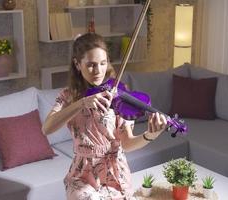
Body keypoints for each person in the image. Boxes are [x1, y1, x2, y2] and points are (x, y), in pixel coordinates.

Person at [42, 33, 167, 200]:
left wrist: (150, 135)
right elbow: (47, 128)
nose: (98, 71)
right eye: (91, 65)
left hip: (115, 174)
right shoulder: (68, 96)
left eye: (103, 63)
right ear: (77, 64)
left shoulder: (117, 94)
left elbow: (127, 143)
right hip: (83, 174)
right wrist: (82, 103)